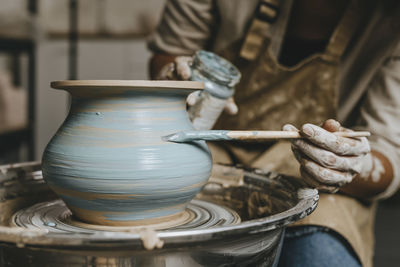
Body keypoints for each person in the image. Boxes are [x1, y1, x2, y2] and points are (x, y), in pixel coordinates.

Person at [148, 0, 400, 266]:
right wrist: (173, 81)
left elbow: (389, 155)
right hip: (209, 150)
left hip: (316, 185)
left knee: (318, 254)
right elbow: (171, 51)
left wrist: (349, 163)